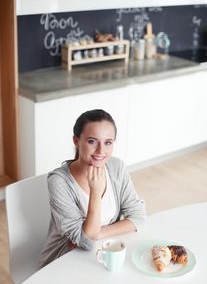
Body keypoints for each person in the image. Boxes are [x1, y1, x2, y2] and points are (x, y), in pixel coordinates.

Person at [38, 109, 146, 268]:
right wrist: (95, 192)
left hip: (103, 253)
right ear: (76, 140)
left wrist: (97, 234)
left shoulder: (116, 167)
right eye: (92, 141)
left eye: (108, 142)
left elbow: (138, 218)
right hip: (63, 260)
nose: (101, 151)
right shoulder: (59, 181)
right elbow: (87, 243)